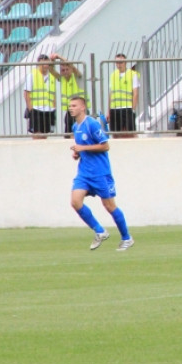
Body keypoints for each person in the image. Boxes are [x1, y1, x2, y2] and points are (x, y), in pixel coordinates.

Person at [68, 96, 134, 251]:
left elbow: (105, 146)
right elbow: (83, 147)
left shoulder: (91, 124)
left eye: (74, 105)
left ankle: (127, 238)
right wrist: (78, 154)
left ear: (82, 107)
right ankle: (100, 230)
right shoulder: (75, 127)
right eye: (70, 106)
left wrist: (83, 149)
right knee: (75, 201)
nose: (71, 108)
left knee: (109, 206)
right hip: (84, 173)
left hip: (100, 173)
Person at [50, 54, 85, 135]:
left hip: (80, 111)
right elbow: (51, 70)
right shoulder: (62, 79)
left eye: (67, 69)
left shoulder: (77, 77)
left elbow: (71, 65)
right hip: (69, 111)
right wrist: (52, 60)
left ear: (71, 70)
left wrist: (59, 57)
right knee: (68, 133)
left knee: (79, 132)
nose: (65, 72)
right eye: (63, 70)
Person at [25, 54, 57, 139]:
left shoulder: (51, 76)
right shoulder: (32, 75)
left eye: (47, 63)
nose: (45, 65)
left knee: (45, 134)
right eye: (43, 63)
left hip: (49, 109)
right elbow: (26, 93)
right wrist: (30, 109)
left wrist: (54, 107)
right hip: (36, 109)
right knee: (37, 133)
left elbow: (53, 94)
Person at [108, 53, 139, 137]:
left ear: (125, 63)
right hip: (114, 108)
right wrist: (109, 110)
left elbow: (135, 93)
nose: (119, 65)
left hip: (127, 107)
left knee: (131, 132)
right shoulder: (113, 75)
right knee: (115, 133)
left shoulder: (132, 74)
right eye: (117, 62)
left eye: (121, 62)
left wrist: (133, 109)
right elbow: (111, 94)